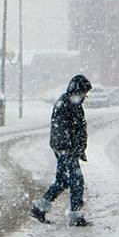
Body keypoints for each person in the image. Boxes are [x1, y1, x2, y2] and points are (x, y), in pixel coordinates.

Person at [31, 74, 92, 226]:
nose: (85, 96)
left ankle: (40, 207)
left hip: (67, 149)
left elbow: (76, 128)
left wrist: (78, 147)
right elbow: (62, 129)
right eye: (84, 92)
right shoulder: (67, 104)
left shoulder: (71, 103)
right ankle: (76, 216)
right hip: (67, 150)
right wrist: (70, 148)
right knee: (77, 182)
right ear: (78, 90)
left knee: (63, 181)